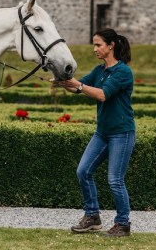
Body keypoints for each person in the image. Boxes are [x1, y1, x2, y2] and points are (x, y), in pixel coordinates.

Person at [52, 28, 135, 237]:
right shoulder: (99, 71)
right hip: (103, 133)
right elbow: (77, 87)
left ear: (111, 46)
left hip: (121, 134)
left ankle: (123, 224)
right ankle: (92, 217)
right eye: (94, 44)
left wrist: (77, 85)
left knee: (115, 180)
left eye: (98, 45)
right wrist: (62, 79)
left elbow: (102, 94)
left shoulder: (123, 72)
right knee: (83, 171)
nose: (95, 49)